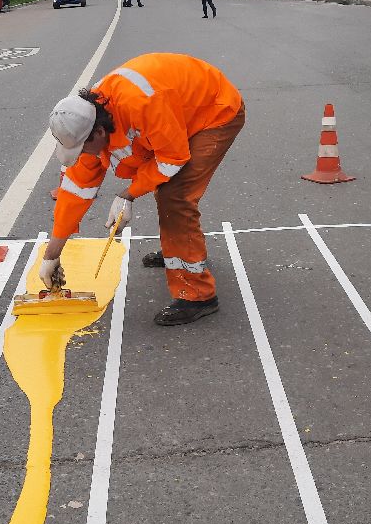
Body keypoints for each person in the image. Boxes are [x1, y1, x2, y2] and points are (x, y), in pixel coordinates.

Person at [42, 53, 245, 326]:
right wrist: (52, 254)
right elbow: (76, 191)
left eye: (80, 149)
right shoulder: (86, 124)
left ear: (99, 134)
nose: (80, 156)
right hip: (177, 115)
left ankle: (198, 295)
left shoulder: (141, 104)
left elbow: (172, 158)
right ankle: (181, 250)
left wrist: (128, 194)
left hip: (214, 111)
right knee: (167, 189)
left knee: (175, 196)